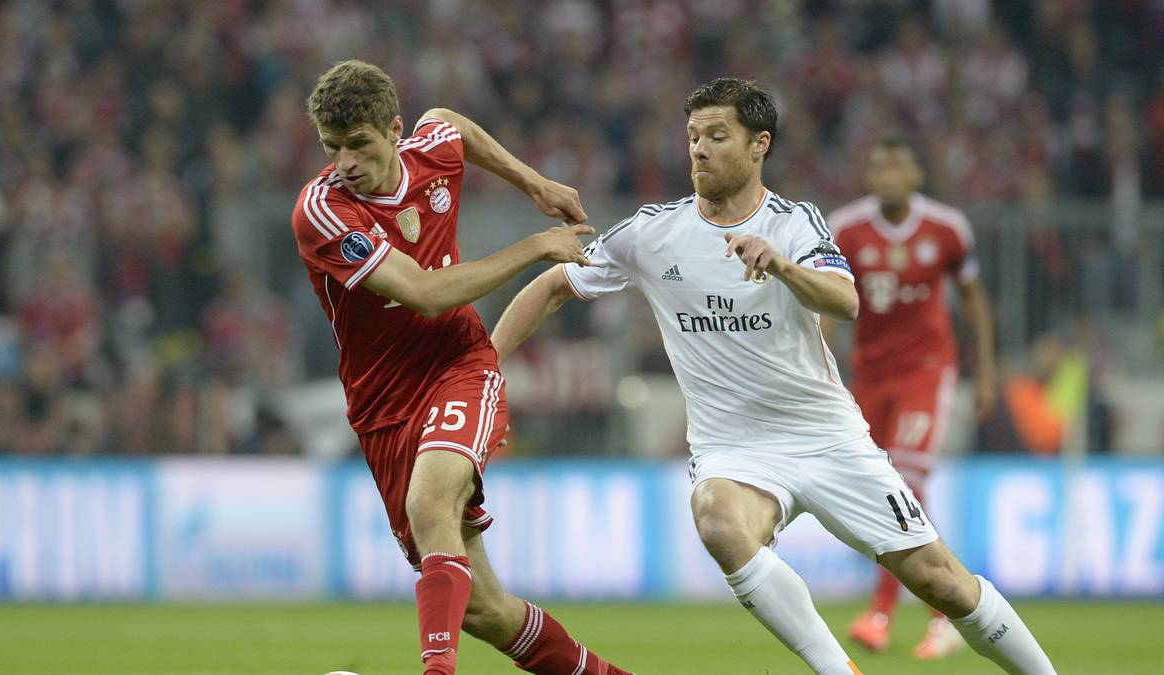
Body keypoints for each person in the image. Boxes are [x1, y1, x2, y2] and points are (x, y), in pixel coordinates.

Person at [492, 77, 1055, 675]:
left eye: (716, 135)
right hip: (734, 450)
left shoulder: (795, 224)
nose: (699, 150)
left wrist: (782, 266)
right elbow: (555, 284)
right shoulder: (652, 232)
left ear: (759, 144)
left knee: (942, 583)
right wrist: (487, 365)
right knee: (717, 518)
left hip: (828, 437)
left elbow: (845, 301)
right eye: (692, 137)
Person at [290, 60, 632, 675]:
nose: (345, 162)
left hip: (459, 365)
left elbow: (448, 123)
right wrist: (534, 245)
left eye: (359, 144)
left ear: (394, 132)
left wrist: (534, 184)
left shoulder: (431, 154)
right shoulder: (323, 211)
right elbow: (423, 293)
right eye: (332, 148)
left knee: (431, 504)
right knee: (483, 610)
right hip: (382, 407)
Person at [821, 136, 997, 659]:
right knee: (883, 489)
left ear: (916, 174)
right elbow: (826, 303)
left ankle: (881, 613)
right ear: (869, 177)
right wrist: (823, 369)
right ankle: (945, 614)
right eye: (878, 167)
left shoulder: (946, 228)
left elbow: (973, 301)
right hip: (869, 376)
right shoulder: (845, 228)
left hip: (927, 372)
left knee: (907, 480)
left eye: (897, 166)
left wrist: (986, 373)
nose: (888, 177)